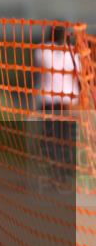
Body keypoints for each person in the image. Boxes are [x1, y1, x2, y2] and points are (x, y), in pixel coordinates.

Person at [33, 25, 81, 184]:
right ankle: (61, 173)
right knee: (62, 138)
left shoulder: (43, 51)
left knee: (52, 139)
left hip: (51, 101)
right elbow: (77, 76)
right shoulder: (71, 52)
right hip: (62, 101)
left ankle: (58, 173)